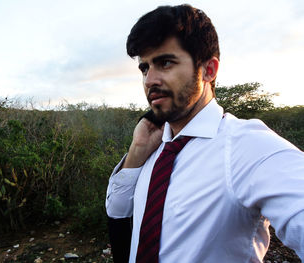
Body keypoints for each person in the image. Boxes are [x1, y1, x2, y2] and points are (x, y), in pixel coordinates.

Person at [106, 4, 304, 263]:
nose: (149, 80)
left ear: (208, 70)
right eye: (145, 68)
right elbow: (118, 210)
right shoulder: (155, 146)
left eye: (165, 62)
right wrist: (137, 152)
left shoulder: (248, 146)